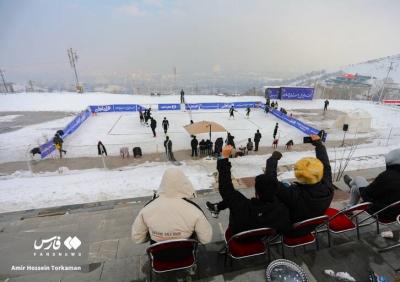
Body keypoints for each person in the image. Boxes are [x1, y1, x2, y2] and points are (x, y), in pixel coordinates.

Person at [206, 145, 291, 235]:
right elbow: (270, 181)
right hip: (263, 238)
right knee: (232, 199)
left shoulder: (243, 206)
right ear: (275, 190)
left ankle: (217, 207)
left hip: (239, 239)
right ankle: (217, 207)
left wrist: (224, 158)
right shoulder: (281, 208)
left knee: (233, 200)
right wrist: (273, 160)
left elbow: (226, 188)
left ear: (256, 192)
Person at [132, 168, 212, 245]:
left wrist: (154, 236)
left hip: (158, 255)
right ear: (184, 183)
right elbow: (206, 239)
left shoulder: (147, 209)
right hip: (186, 255)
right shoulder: (194, 210)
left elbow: (137, 238)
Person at [271, 135, 333, 224]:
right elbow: (326, 167)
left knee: (283, 185)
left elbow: (270, 182)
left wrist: (273, 159)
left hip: (292, 230)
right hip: (312, 225)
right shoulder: (328, 187)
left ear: (299, 175)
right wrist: (319, 145)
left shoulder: (293, 194)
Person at [343, 148, 400, 219]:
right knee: (355, 187)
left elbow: (368, 193)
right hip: (397, 215)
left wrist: (364, 189)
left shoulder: (387, 176)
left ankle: (350, 183)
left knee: (358, 179)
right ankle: (348, 208)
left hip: (381, 213)